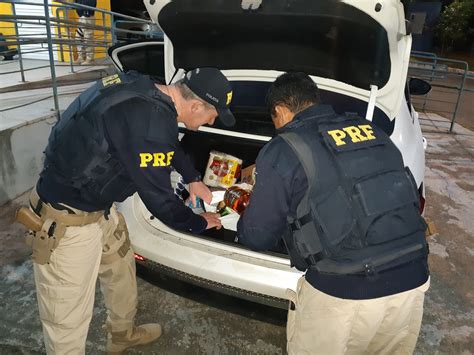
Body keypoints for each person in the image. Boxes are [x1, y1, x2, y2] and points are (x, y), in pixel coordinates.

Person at [22, 67, 233, 354]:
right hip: (67, 222)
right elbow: (161, 202)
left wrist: (193, 178)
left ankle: (121, 336)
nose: (212, 121)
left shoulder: (145, 87)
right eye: (213, 115)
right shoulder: (151, 122)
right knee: (66, 319)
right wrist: (198, 222)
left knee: (120, 271)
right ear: (195, 105)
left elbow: (167, 143)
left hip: (97, 208)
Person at [237, 72, 430, 354]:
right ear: (314, 100)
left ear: (279, 110)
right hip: (413, 279)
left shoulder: (283, 149)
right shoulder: (372, 130)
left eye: (274, 119)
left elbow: (257, 237)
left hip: (343, 291)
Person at [74, 0, 97, 64]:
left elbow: (88, 5)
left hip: (88, 17)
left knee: (88, 39)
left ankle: (90, 59)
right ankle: (81, 57)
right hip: (81, 17)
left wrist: (75, 5)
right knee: (78, 38)